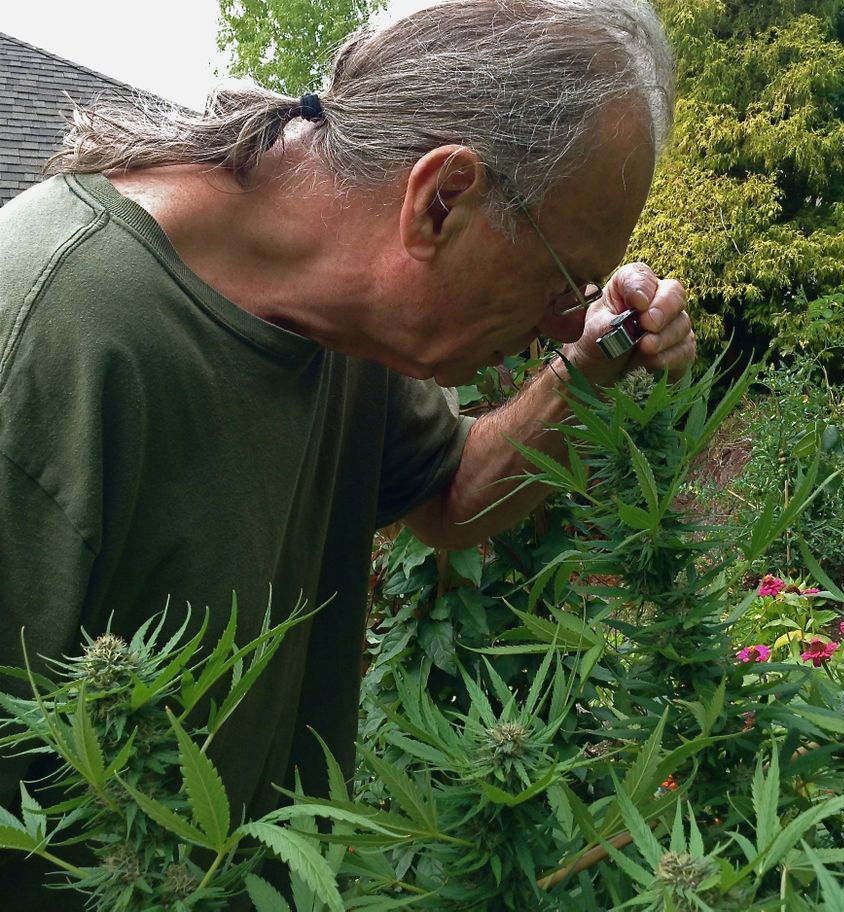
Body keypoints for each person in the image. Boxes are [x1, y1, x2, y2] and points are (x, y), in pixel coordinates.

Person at [0, 0, 694, 903]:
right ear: (441, 200)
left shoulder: (350, 326)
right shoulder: (47, 330)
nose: (564, 322)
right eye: (565, 280)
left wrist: (586, 369)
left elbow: (451, 497)